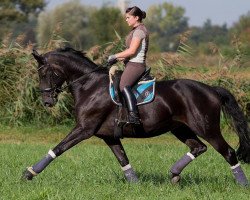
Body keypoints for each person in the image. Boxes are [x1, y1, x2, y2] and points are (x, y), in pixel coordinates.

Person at [108, 6, 149, 125]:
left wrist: (115, 55)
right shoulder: (135, 30)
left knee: (123, 85)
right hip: (131, 63)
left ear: (136, 18)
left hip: (136, 65)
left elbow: (132, 51)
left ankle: (134, 116)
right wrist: (118, 58)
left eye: (128, 17)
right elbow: (131, 53)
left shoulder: (140, 31)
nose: (126, 20)